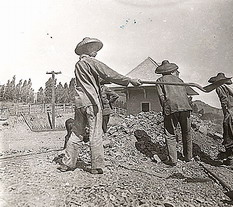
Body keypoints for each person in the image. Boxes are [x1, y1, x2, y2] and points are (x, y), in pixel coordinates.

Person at [58, 37, 141, 174]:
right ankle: (96, 166)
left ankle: (67, 163)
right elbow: (109, 73)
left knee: (77, 132)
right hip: (92, 102)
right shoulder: (92, 62)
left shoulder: (79, 65)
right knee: (95, 133)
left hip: (80, 103)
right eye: (93, 47)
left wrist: (108, 79)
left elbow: (102, 77)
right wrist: (130, 80)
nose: (96, 50)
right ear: (87, 49)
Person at [155, 60, 193, 166]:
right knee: (187, 132)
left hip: (171, 108)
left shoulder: (159, 81)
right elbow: (185, 95)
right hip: (185, 108)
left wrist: (165, 110)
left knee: (170, 134)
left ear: (162, 72)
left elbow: (162, 97)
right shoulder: (180, 80)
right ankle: (188, 156)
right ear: (172, 70)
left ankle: (173, 160)